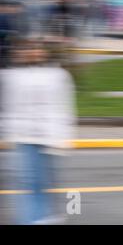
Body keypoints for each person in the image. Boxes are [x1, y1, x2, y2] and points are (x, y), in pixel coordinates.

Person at [1, 39, 75, 224]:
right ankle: (33, 219)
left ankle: (42, 217)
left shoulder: (56, 75)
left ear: (43, 51)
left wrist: (63, 137)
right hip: (24, 137)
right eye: (26, 49)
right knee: (29, 182)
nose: (31, 52)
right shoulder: (13, 77)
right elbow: (8, 107)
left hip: (47, 137)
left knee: (42, 183)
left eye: (35, 48)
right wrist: (6, 131)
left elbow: (63, 107)